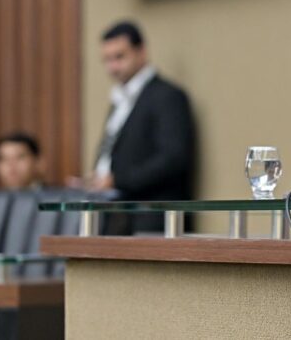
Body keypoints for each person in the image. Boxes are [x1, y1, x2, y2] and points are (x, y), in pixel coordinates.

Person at [70, 21, 196, 234]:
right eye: (107, 60)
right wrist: (95, 179)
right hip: (115, 216)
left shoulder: (166, 96)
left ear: (142, 52)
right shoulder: (119, 98)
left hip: (152, 219)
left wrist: (116, 180)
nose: (113, 67)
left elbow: (173, 157)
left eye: (119, 57)